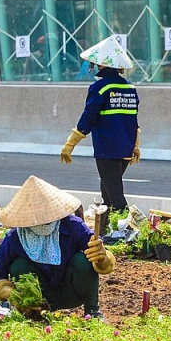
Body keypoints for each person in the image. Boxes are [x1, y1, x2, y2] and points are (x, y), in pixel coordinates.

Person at [0, 175, 116, 319]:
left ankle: (92, 311)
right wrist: (11, 293)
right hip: (39, 298)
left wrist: (102, 257)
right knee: (19, 266)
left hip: (71, 291)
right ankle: (36, 315)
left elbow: (97, 249)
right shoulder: (14, 239)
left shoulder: (72, 226)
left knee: (83, 259)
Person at [60, 35, 140, 229]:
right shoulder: (130, 88)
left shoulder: (100, 88)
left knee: (115, 193)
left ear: (101, 65)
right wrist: (136, 146)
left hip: (107, 148)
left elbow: (88, 118)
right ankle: (103, 230)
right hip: (126, 148)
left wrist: (70, 144)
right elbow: (133, 121)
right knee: (107, 190)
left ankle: (130, 231)